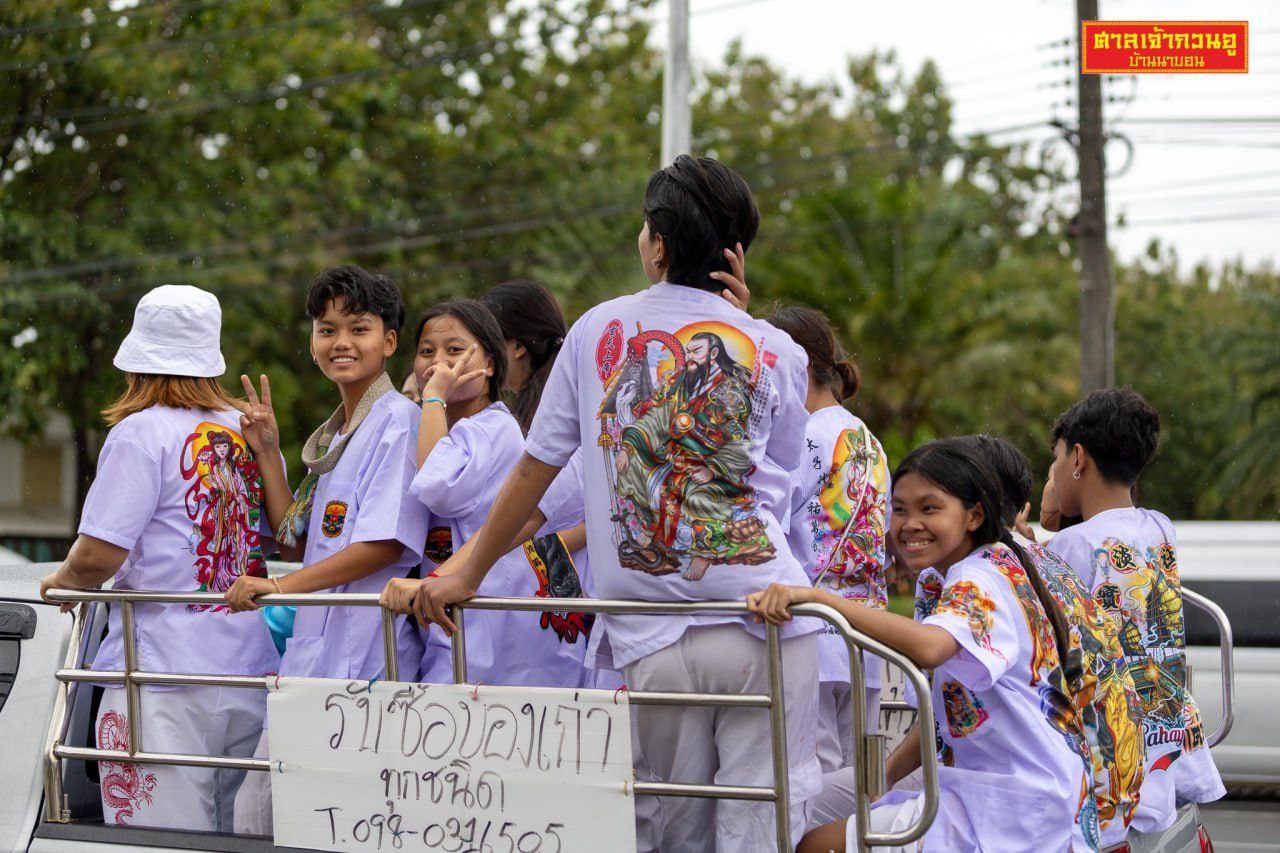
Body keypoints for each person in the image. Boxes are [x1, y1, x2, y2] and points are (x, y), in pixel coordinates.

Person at [408, 155, 821, 851]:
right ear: (734, 252)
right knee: (762, 822)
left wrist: (465, 576)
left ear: (656, 244)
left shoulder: (598, 331)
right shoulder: (778, 349)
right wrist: (738, 322)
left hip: (651, 628)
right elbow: (777, 481)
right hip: (765, 613)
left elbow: (533, 471)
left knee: (665, 827)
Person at [750, 438, 1089, 853]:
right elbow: (946, 714)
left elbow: (931, 648)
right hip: (1026, 794)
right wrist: (885, 777)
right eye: (900, 509)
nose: (910, 524)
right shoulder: (997, 563)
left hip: (1011, 807)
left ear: (974, 514)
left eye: (930, 508)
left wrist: (820, 600)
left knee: (812, 846)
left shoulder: (978, 577)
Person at [38, 285, 279, 831]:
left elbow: (98, 556)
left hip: (162, 676)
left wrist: (60, 579)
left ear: (138, 359)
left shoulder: (140, 432)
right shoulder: (244, 429)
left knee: (158, 840)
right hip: (250, 669)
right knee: (237, 837)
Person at [228, 265, 428, 833]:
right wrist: (268, 450)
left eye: (358, 328)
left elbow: (386, 545)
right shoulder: (342, 430)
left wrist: (280, 587)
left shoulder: (399, 422)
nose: (340, 342)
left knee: (331, 822)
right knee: (262, 814)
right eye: (326, 328)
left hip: (363, 655)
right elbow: (300, 533)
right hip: (315, 654)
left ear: (389, 342)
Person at [1045, 389, 1226, 841]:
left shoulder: (1071, 545)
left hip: (1112, 730)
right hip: (1163, 715)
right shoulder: (1161, 526)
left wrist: (1051, 507)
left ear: (1078, 458)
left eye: (1055, 461)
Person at [393, 298, 591, 687]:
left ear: (489, 365)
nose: (438, 362)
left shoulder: (494, 427)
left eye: (454, 350)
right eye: (426, 352)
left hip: (490, 623)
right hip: (458, 612)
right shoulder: (442, 428)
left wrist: (433, 396)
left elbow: (438, 484)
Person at [964, 433, 1145, 848]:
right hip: (1115, 780)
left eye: (931, 503)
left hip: (1056, 798)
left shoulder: (990, 571)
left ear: (973, 509)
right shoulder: (1049, 557)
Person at [770, 305, 890, 777]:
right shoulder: (869, 440)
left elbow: (770, 533)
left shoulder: (797, 438)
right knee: (857, 785)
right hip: (867, 637)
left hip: (809, 636)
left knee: (812, 785)